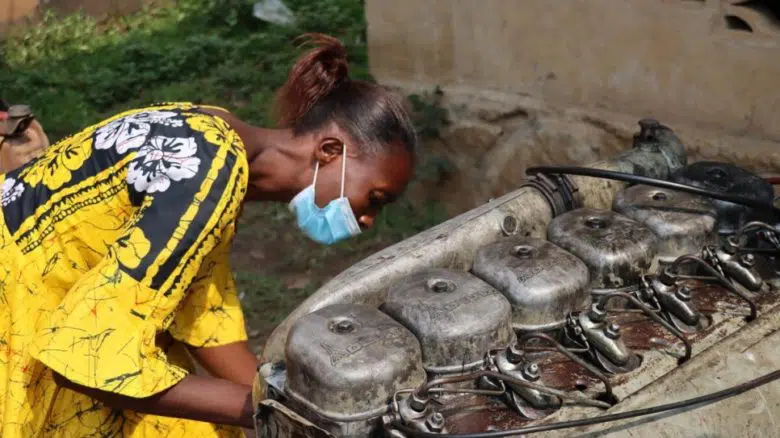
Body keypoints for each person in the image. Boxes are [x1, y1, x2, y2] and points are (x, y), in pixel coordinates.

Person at [0, 33, 417, 437]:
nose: (367, 221)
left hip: (54, 298)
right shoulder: (208, 170)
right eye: (375, 198)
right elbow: (89, 360)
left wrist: (288, 396)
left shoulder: (214, 136)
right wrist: (274, 413)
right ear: (330, 152)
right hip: (18, 297)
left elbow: (200, 313)